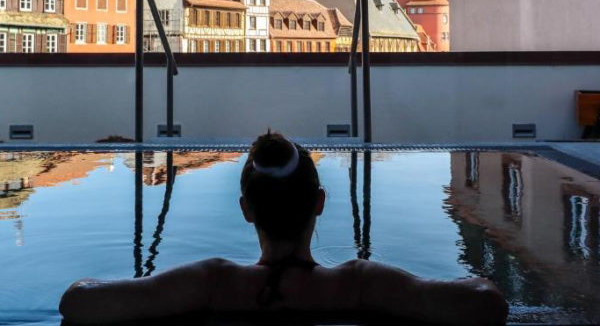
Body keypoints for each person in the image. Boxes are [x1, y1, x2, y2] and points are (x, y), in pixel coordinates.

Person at [60, 131, 508, 325]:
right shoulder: (358, 285)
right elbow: (486, 304)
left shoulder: (213, 282)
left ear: (246, 210)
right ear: (319, 202)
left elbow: (78, 301)